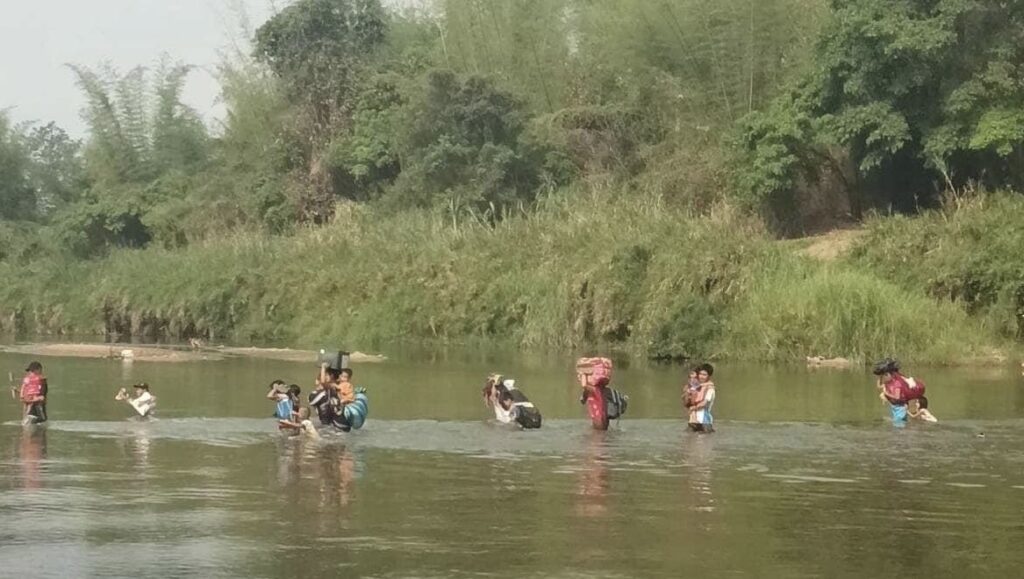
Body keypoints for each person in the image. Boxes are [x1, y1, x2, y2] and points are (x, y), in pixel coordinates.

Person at [873, 358, 937, 424]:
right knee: (900, 422)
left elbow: (897, 397)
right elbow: (879, 386)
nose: (882, 378)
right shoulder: (893, 379)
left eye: (882, 376)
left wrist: (886, 393)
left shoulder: (897, 384)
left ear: (888, 374)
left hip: (901, 407)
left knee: (899, 424)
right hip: (899, 407)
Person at [576, 357, 627, 431]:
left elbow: (584, 385)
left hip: (598, 422)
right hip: (603, 421)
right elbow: (583, 400)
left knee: (597, 435)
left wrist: (583, 373)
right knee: (601, 433)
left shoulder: (595, 390)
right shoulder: (605, 390)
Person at [688, 363, 716, 433]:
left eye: (704, 375)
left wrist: (693, 408)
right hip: (693, 420)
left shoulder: (710, 389)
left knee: (704, 439)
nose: (701, 377)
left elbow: (704, 403)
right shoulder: (696, 387)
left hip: (705, 421)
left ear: (709, 376)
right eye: (700, 374)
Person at [18, 361, 48, 425]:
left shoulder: (39, 380)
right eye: (30, 371)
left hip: (33, 405)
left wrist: (22, 396)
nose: (30, 373)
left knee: (33, 420)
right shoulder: (38, 380)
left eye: (31, 371)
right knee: (40, 420)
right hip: (34, 405)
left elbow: (41, 394)